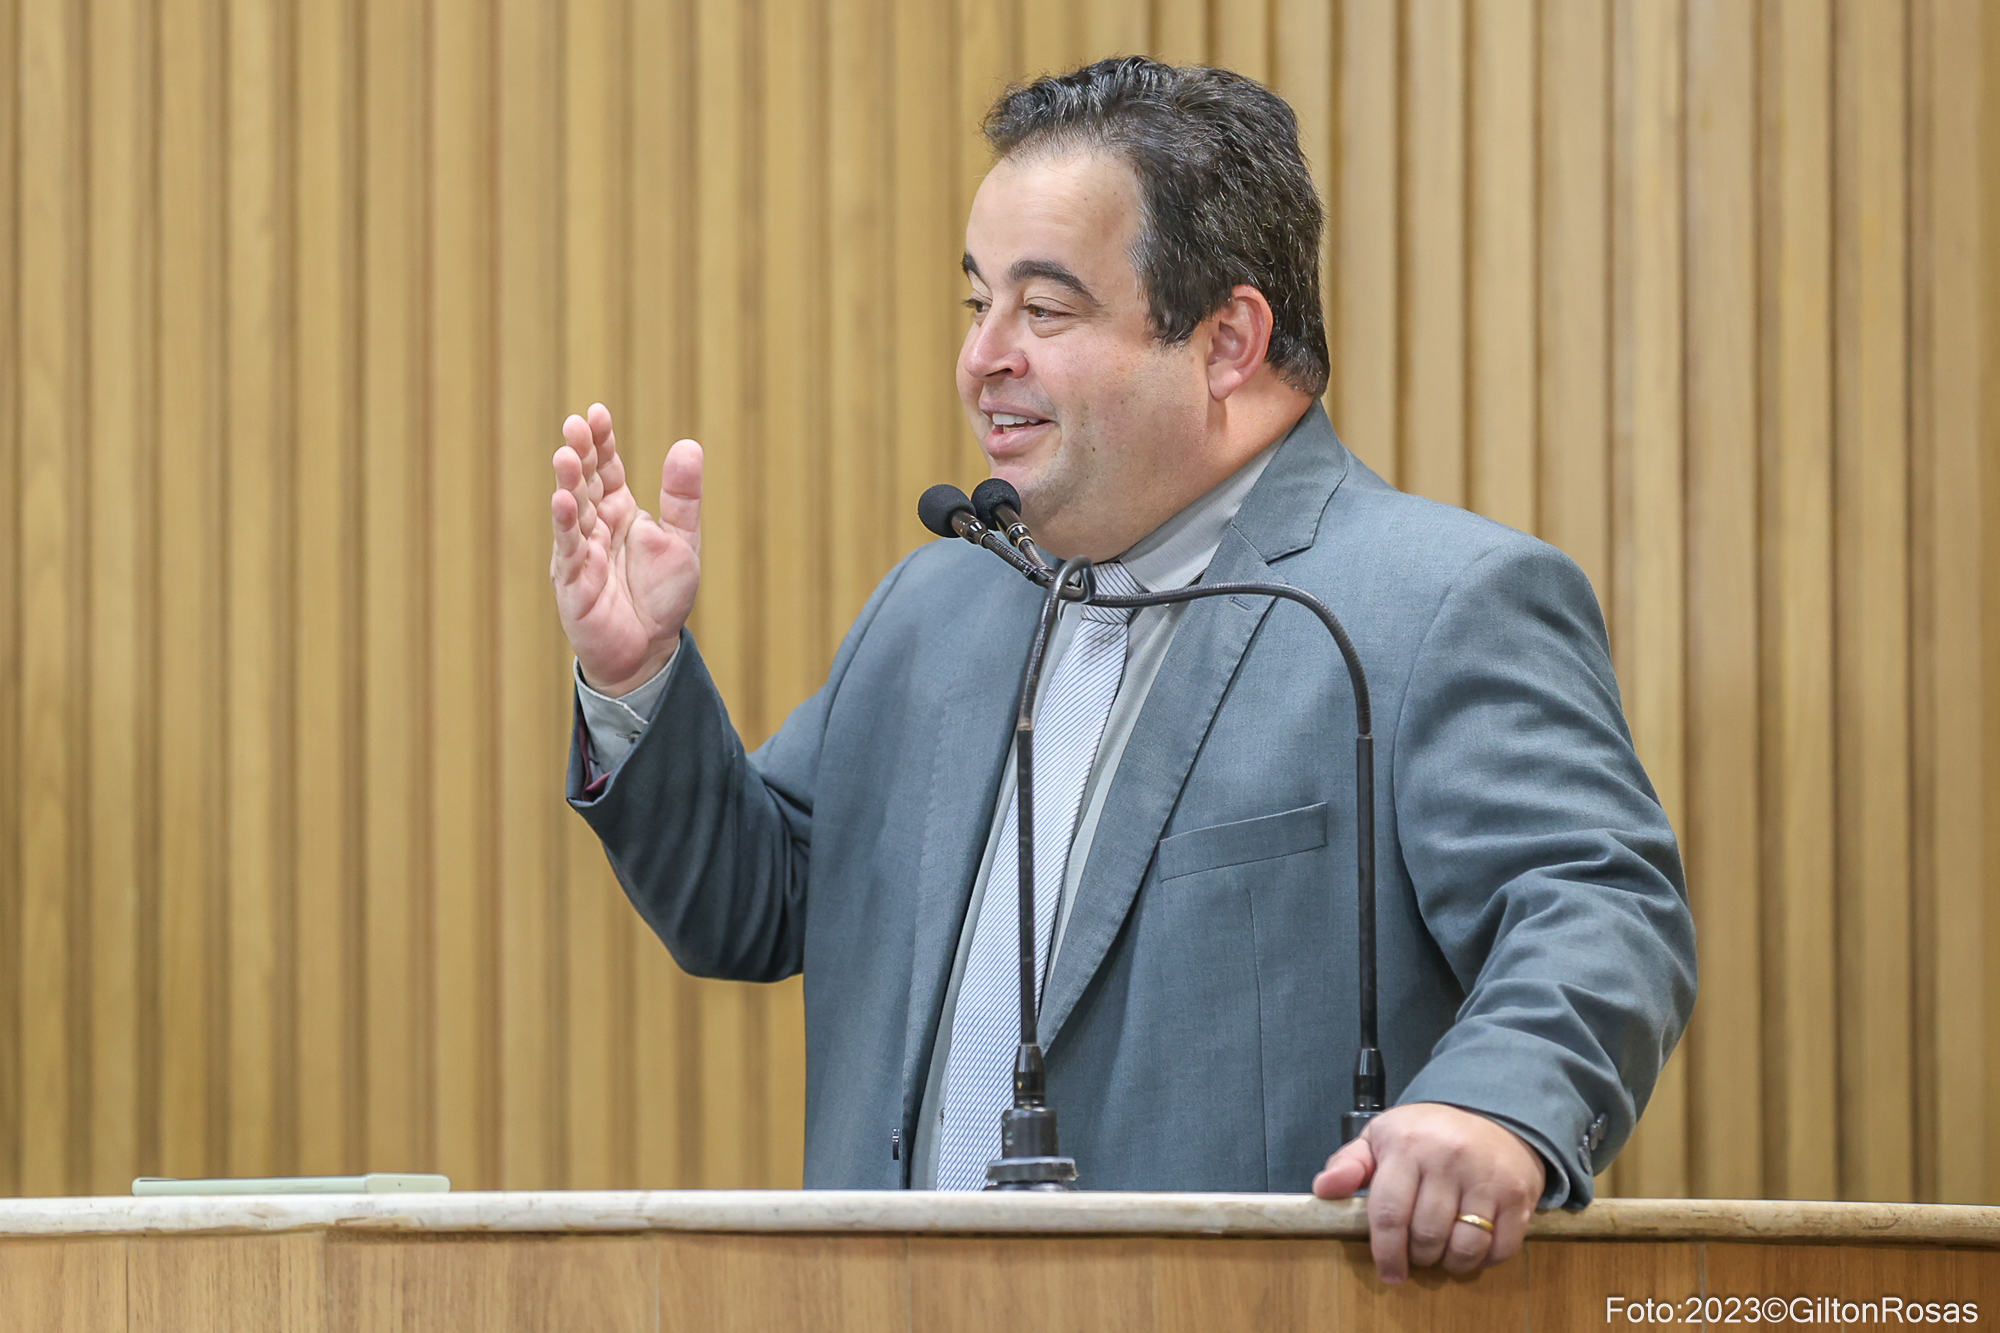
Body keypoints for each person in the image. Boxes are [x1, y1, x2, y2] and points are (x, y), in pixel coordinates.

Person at [548, 57, 1695, 1284]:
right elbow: (752, 903)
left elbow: (1597, 907)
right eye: (976, 301)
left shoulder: (1432, 605)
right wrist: (638, 677)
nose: (982, 356)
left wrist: (1493, 1107)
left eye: (1043, 311)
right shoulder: (934, 607)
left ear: (1227, 340)